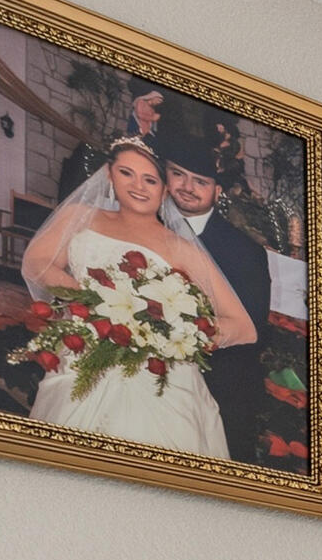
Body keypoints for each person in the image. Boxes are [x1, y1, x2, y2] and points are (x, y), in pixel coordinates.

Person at [17, 136, 254, 456]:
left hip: (158, 371)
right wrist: (94, 302)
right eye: (127, 173)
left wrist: (179, 332)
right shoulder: (80, 215)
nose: (139, 186)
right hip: (88, 352)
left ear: (164, 189)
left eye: (150, 179)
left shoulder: (179, 246)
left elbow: (243, 326)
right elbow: (37, 263)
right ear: (109, 175)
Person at [153, 99, 271, 463]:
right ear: (165, 178)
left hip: (220, 387)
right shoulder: (144, 231)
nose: (187, 187)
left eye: (200, 181)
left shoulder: (246, 251)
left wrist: (182, 344)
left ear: (217, 191)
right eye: (178, 175)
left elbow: (252, 332)